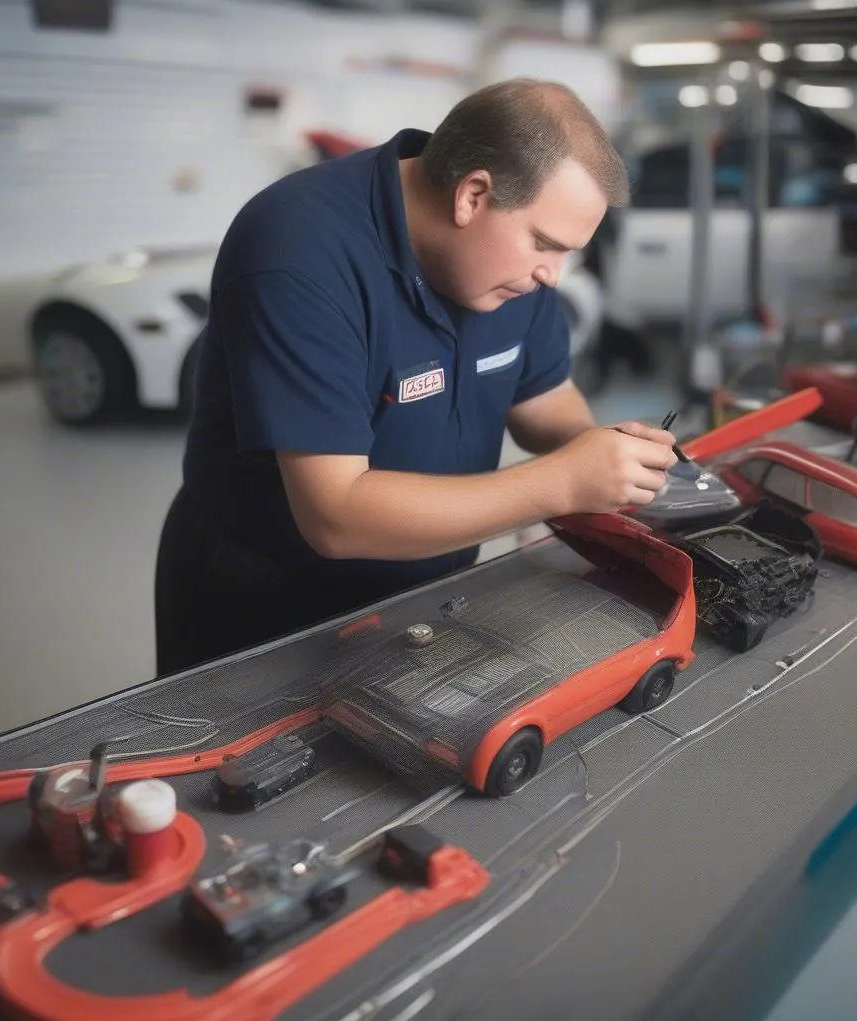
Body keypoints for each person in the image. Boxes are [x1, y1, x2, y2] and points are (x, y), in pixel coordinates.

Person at [154, 77, 678, 676]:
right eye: (544, 245)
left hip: (427, 590)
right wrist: (563, 483)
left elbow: (544, 399)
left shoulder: (508, 266)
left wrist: (602, 456)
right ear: (473, 195)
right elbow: (336, 514)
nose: (552, 276)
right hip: (268, 606)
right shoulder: (298, 251)